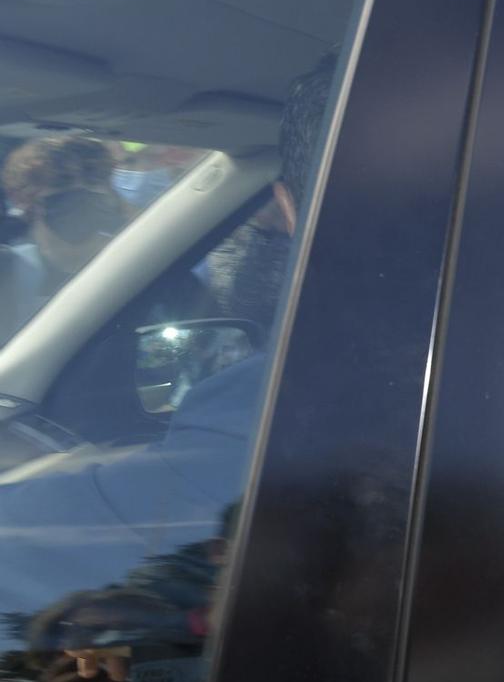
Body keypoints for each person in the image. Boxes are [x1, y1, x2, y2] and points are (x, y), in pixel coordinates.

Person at [0, 61, 332, 651]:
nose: (80, 224)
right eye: (60, 208)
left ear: (286, 208)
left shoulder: (278, 400)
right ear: (25, 210)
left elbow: (171, 517)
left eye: (92, 206)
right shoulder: (11, 273)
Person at [0, 134, 127, 338]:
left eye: (99, 210)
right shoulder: (6, 271)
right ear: (27, 206)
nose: (84, 228)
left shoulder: (140, 269)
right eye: (65, 209)